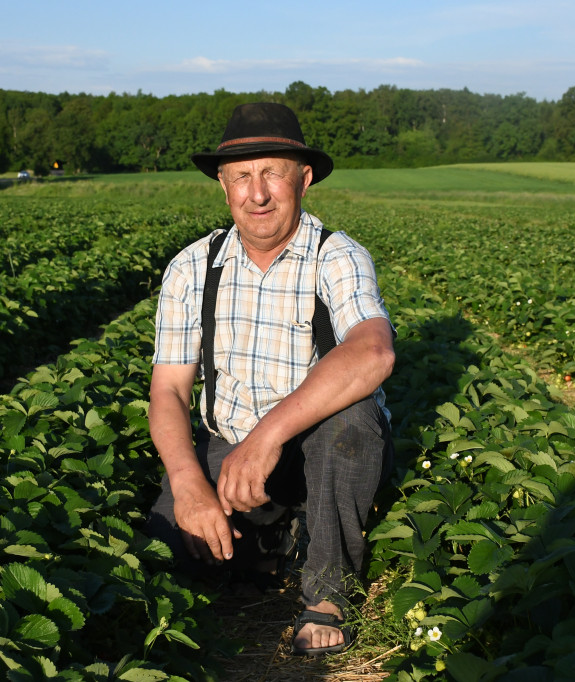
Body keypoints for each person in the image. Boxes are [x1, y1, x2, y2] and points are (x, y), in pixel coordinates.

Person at [145, 102, 395, 656]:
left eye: (272, 174)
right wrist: (188, 485)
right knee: (170, 548)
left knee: (352, 421)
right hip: (229, 446)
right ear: (223, 186)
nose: (257, 194)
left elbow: (374, 352)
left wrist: (266, 437)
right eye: (241, 177)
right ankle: (275, 535)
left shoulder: (336, 256)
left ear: (303, 180)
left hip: (317, 451)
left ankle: (327, 594)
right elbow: (168, 390)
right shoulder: (192, 267)